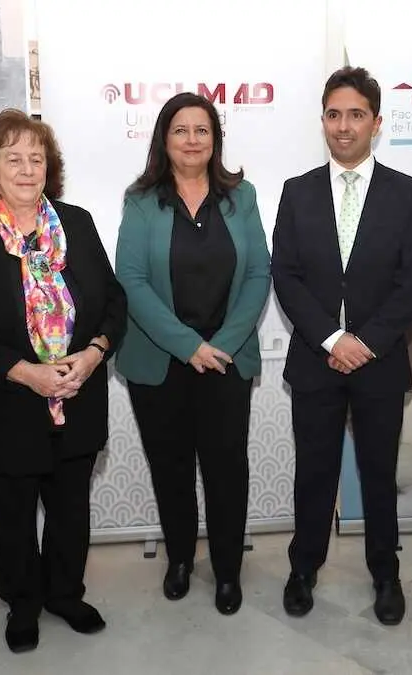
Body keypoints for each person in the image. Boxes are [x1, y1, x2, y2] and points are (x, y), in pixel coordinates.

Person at [0, 109, 126, 653]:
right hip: (6, 404)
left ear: (50, 168)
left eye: (35, 159)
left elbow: (114, 302)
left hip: (79, 395)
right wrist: (27, 374)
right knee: (12, 514)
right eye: (12, 158)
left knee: (70, 510)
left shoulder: (79, 223)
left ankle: (65, 594)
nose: (25, 169)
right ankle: (22, 604)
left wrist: (92, 356)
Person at [271, 66, 412, 626]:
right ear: (323, 121)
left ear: (376, 122)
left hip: (380, 364)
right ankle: (303, 567)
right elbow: (285, 275)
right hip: (317, 361)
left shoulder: (407, 194)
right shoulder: (296, 192)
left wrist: (366, 342)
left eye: (356, 114)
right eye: (334, 115)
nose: (344, 126)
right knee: (313, 471)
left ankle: (385, 573)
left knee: (378, 472)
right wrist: (334, 338)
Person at [114, 91, 271, 616]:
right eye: (180, 130)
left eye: (202, 130)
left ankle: (228, 570)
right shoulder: (140, 199)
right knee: (172, 467)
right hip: (161, 362)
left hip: (225, 360)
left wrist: (218, 346)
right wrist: (188, 347)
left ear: (215, 139)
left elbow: (257, 273)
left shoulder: (240, 195)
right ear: (164, 138)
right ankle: (179, 559)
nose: (191, 139)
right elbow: (131, 282)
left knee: (228, 468)